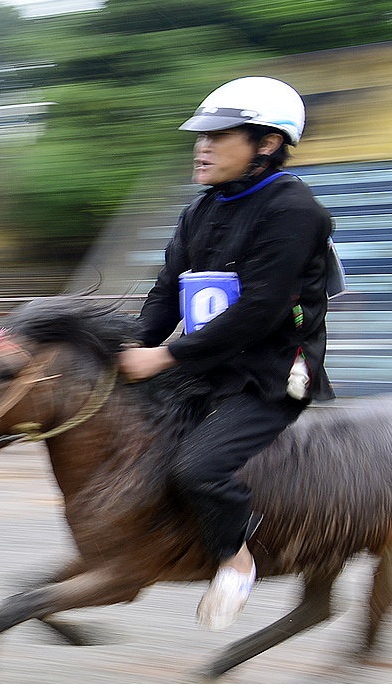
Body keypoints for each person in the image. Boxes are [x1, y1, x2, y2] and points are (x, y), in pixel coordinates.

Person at [117, 76, 337, 631]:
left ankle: (236, 558)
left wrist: (163, 359)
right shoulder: (200, 209)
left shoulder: (295, 212)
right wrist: (135, 346)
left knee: (198, 466)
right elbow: (167, 291)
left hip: (268, 375)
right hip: (204, 366)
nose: (203, 146)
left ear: (266, 144)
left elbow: (259, 311)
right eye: (201, 136)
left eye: (220, 136)